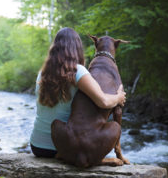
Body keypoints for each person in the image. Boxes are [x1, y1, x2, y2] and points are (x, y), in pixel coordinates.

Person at [30, 27, 126, 158]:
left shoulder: (42, 73)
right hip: (64, 147)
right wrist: (119, 97)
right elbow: (103, 101)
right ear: (76, 49)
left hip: (37, 146)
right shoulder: (78, 71)